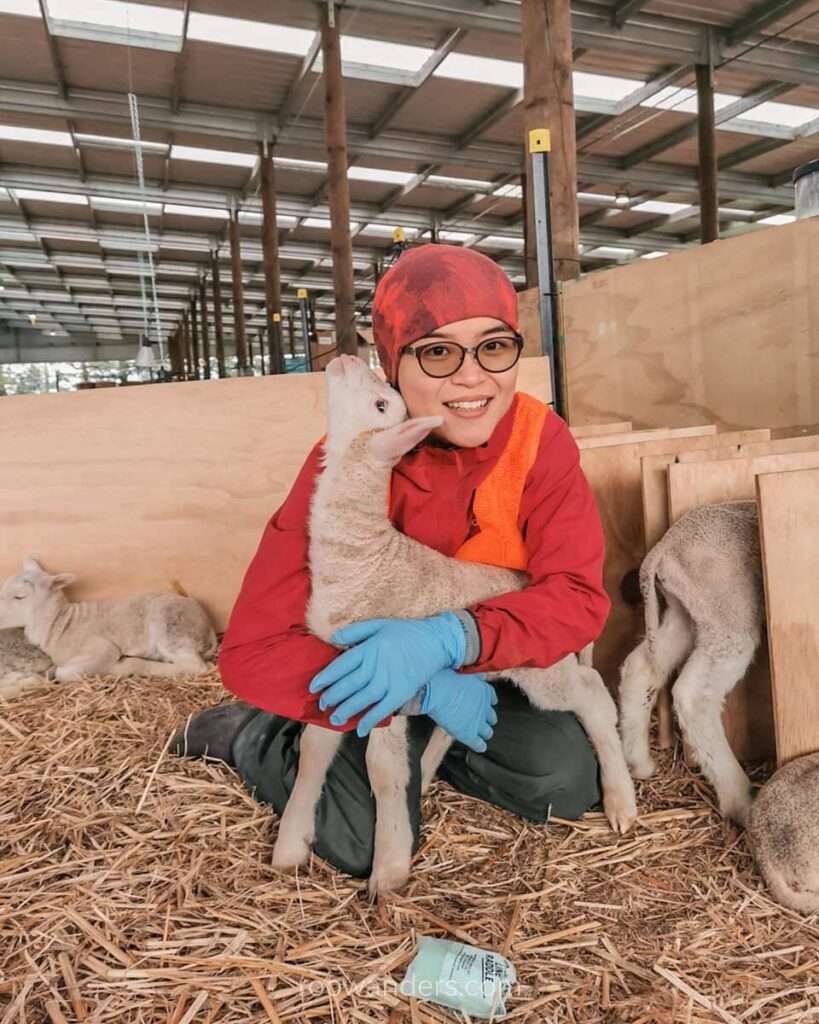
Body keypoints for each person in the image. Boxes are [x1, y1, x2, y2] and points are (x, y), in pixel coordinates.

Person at [173, 244, 611, 879]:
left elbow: (575, 596)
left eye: (494, 346)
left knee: (564, 782)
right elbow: (252, 648)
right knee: (352, 841)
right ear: (392, 365)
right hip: (365, 677)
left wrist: (455, 638)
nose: (473, 378)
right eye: (437, 352)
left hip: (480, 669)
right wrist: (418, 685)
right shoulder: (349, 458)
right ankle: (252, 736)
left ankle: (437, 747)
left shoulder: (538, 440)